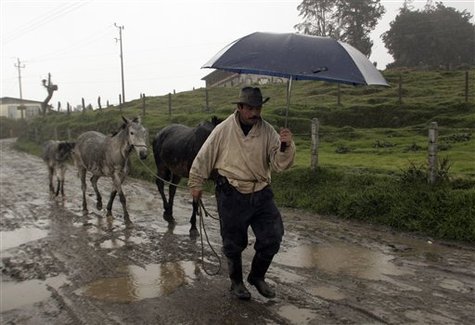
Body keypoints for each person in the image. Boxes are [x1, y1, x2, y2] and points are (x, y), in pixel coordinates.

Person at [188, 86, 295, 300]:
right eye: (250, 108)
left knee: (273, 236)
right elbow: (204, 156)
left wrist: (286, 146)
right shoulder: (223, 129)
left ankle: (257, 277)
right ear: (240, 107)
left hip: (261, 191)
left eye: (258, 108)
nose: (255, 113)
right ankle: (236, 282)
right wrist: (196, 182)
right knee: (233, 242)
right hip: (232, 191)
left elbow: (278, 164)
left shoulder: (267, 131)